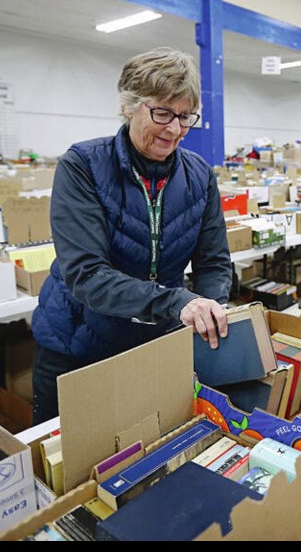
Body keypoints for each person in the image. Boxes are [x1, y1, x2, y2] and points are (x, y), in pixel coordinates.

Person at [31, 47, 233, 425]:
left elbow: (214, 262)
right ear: (129, 105)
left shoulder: (199, 175)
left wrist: (211, 310)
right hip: (78, 347)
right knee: (63, 472)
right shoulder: (83, 166)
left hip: (155, 347)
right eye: (162, 113)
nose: (174, 129)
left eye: (185, 116)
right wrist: (176, 302)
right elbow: (86, 275)